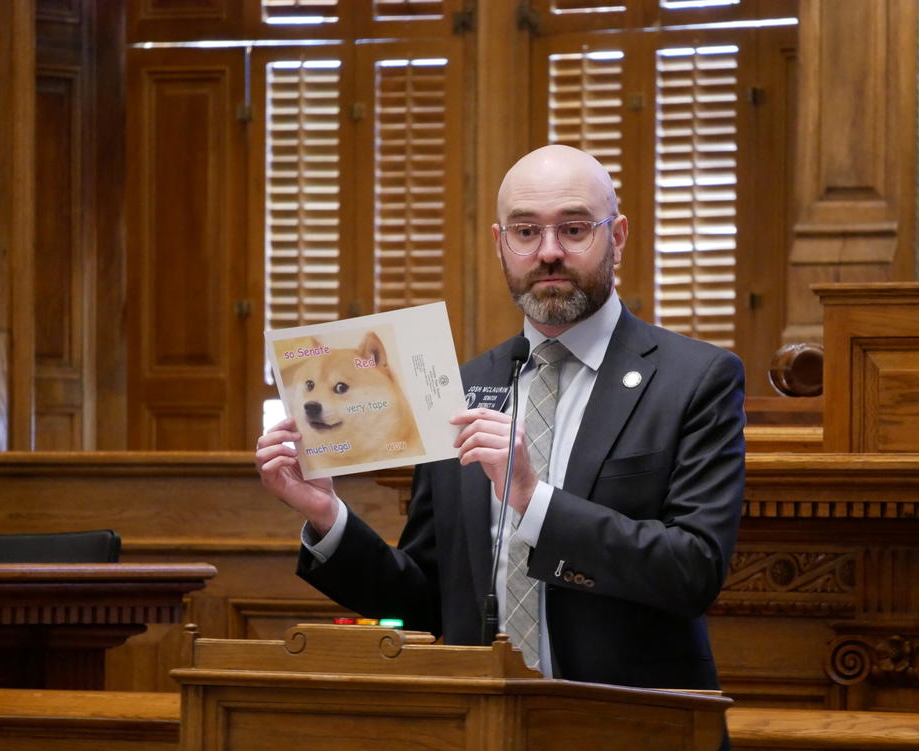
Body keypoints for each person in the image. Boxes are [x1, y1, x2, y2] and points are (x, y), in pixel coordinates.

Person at [256, 145, 745, 739]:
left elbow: (693, 571)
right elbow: (430, 600)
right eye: (525, 231)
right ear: (499, 244)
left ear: (616, 237)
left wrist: (532, 499)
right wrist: (327, 516)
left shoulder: (697, 379)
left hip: (633, 725)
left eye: (573, 228)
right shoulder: (459, 388)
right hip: (480, 725)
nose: (548, 252)